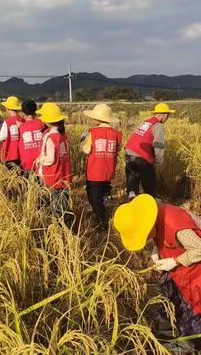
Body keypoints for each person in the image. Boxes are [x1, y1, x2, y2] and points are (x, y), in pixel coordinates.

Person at [114, 194, 201, 350]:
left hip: (196, 274)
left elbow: (199, 249)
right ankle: (164, 333)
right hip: (177, 271)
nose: (146, 239)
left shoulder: (176, 225)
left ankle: (183, 346)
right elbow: (162, 237)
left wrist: (175, 261)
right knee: (167, 297)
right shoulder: (153, 217)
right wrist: (156, 249)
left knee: (193, 318)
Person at [81, 104, 122, 229]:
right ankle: (104, 204)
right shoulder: (117, 134)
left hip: (94, 172)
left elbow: (86, 150)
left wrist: (83, 140)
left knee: (94, 199)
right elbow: (117, 150)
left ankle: (103, 221)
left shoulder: (92, 133)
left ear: (97, 119)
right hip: (108, 171)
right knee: (103, 193)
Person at [125, 102, 175, 200]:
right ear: (164, 115)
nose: (168, 118)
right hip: (141, 156)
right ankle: (151, 202)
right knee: (150, 184)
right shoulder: (158, 125)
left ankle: (132, 199)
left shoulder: (146, 122)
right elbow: (158, 145)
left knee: (133, 182)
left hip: (128, 153)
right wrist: (159, 161)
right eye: (168, 115)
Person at [36, 103, 73, 227]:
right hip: (62, 175)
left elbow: (51, 159)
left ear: (47, 120)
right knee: (63, 203)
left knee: (58, 207)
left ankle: (66, 229)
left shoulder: (51, 137)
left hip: (54, 176)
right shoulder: (62, 134)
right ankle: (67, 225)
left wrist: (40, 159)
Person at [18, 100, 46, 174]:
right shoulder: (42, 123)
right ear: (35, 111)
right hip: (41, 163)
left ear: (23, 113)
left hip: (27, 164)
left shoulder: (21, 127)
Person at [0, 96, 23, 168]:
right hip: (21, 154)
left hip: (10, 154)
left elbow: (1, 137)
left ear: (8, 109)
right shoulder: (22, 120)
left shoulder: (7, 122)